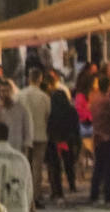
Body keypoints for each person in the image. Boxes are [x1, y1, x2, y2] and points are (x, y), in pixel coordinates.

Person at [19, 67, 52, 206]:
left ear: (28, 78)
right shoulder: (44, 97)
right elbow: (48, 115)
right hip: (40, 134)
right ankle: (35, 196)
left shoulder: (20, 95)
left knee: (23, 165)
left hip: (24, 135)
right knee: (37, 167)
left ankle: (23, 195)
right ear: (40, 79)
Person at [45, 71, 81, 200]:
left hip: (54, 141)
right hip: (68, 141)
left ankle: (57, 190)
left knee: (55, 168)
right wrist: (78, 143)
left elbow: (48, 127)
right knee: (69, 165)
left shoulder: (51, 112)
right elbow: (76, 128)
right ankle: (71, 184)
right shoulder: (71, 111)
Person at [89, 75, 110, 205]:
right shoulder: (107, 101)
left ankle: (94, 193)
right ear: (108, 86)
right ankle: (108, 195)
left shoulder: (94, 99)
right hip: (107, 135)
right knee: (109, 168)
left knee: (98, 167)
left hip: (97, 135)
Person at [0, 80, 32, 155]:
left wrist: (27, 147)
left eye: (7, 91)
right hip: (0, 149)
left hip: (17, 148)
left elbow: (27, 128)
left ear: (11, 92)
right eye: (2, 91)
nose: (5, 94)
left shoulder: (21, 109)